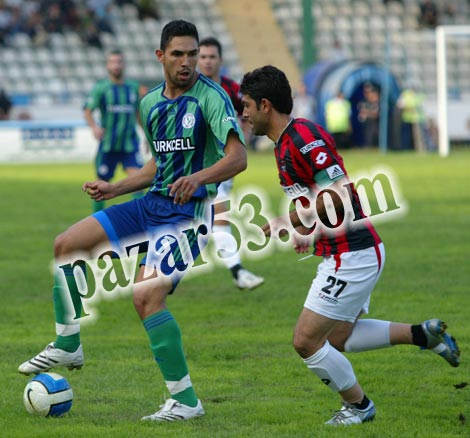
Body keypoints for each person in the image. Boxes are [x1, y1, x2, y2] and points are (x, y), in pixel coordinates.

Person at [18, 19, 247, 422]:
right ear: (160, 56)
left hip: (187, 216)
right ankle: (68, 343)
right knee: (66, 245)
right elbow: (158, 164)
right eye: (177, 54)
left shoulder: (211, 98)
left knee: (145, 295)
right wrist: (115, 188)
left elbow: (237, 158)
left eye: (192, 54)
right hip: (150, 205)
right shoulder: (150, 103)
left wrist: (197, 178)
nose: (187, 62)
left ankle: (186, 401)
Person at [239, 65, 460, 426]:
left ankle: (358, 406)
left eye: (247, 105)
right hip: (347, 252)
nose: (244, 113)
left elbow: (340, 194)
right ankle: (423, 334)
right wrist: (308, 229)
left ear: (265, 105)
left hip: (352, 254)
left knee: (306, 340)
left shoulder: (303, 137)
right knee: (340, 337)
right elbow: (320, 202)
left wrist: (289, 220)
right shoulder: (284, 145)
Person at [197, 36, 264, 290]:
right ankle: (237, 271)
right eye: (203, 57)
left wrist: (242, 139)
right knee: (210, 219)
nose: (207, 61)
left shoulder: (230, 88)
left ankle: (237, 271)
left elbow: (247, 114)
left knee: (214, 217)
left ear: (220, 60)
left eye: (212, 57)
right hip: (194, 165)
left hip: (223, 165)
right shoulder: (190, 87)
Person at [83, 49, 144, 212]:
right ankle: (96, 220)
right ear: (107, 65)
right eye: (112, 62)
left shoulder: (133, 87)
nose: (116, 65)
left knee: (138, 182)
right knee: (100, 186)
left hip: (129, 144)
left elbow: (138, 113)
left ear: (124, 64)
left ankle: (140, 220)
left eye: (119, 62)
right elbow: (87, 110)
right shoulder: (101, 88)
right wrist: (94, 127)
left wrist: (147, 136)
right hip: (108, 145)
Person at [357, 82, 380, 147]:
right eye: (365, 92)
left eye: (368, 92)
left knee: (374, 134)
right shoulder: (363, 102)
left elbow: (376, 114)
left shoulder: (377, 103)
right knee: (368, 136)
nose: (367, 94)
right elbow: (361, 114)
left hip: (375, 123)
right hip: (367, 123)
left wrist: (367, 113)